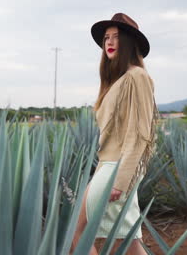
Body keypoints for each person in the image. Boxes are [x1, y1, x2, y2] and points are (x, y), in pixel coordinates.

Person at [71, 13, 160, 255]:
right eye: (106, 38)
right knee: (131, 238)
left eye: (116, 37)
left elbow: (140, 134)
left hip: (117, 169)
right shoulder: (116, 81)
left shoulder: (137, 77)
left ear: (130, 42)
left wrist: (120, 181)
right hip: (109, 165)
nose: (109, 42)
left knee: (76, 231)